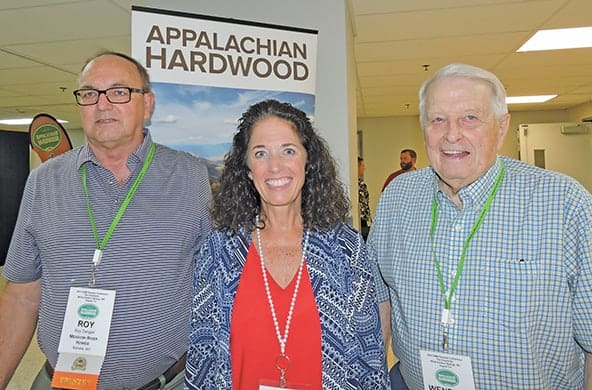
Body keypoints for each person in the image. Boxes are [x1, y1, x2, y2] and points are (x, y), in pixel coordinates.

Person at [369, 63, 592, 389]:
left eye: (470, 118)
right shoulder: (397, 198)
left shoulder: (563, 204)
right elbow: (381, 300)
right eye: (438, 119)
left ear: (502, 127)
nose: (451, 134)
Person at [0, 51, 212, 389]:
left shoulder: (194, 179)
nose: (102, 104)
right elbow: (22, 294)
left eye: (119, 92)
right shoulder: (44, 181)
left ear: (148, 104)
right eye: (89, 94)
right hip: (62, 382)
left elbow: (223, 287)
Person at [185, 99, 390, 389]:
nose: (275, 166)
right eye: (260, 153)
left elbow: (369, 361)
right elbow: (202, 355)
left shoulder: (345, 249)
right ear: (247, 169)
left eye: (288, 151)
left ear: (308, 161)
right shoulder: (219, 250)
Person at [358, 156, 372, 240]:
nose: (364, 168)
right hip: (360, 220)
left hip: (364, 220)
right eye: (362, 165)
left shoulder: (361, 184)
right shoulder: (358, 185)